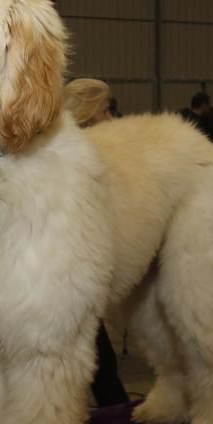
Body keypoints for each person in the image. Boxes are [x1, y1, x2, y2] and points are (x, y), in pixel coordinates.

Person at [63, 78, 130, 406]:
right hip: (73, 270)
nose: (111, 119)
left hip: (75, 269)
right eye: (107, 110)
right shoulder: (87, 155)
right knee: (91, 351)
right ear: (90, 114)